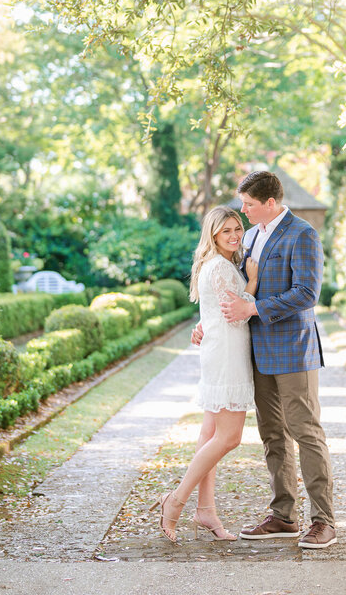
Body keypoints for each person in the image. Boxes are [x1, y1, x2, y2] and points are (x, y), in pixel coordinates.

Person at [193, 170, 336, 549]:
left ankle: (323, 521)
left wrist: (253, 311)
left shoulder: (303, 234)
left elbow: (306, 293)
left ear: (270, 203)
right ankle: (284, 516)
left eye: (249, 205)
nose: (243, 211)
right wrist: (205, 324)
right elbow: (234, 292)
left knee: (306, 433)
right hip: (256, 354)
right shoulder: (252, 237)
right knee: (272, 436)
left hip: (293, 352)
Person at [153, 206, 259, 543]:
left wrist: (202, 326)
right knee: (229, 437)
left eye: (237, 229)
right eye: (226, 230)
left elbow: (214, 311)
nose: (234, 235)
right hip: (227, 354)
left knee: (210, 433)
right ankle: (176, 500)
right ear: (213, 234)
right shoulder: (222, 267)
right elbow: (236, 314)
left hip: (219, 349)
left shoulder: (216, 265)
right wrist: (253, 281)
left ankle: (206, 510)